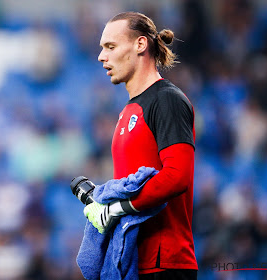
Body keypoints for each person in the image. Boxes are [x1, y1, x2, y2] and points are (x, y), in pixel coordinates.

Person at [83, 11, 198, 280]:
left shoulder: (168, 100)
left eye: (110, 46)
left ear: (140, 45)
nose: (102, 56)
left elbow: (177, 176)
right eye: (102, 48)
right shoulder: (127, 111)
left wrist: (117, 208)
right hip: (133, 260)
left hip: (165, 263)